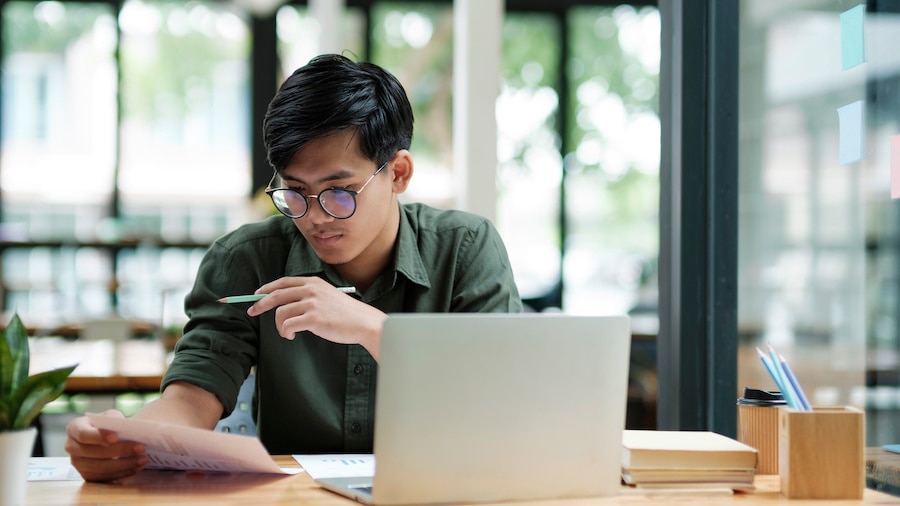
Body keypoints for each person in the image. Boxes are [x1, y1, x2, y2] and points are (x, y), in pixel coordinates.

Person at [64, 53, 522, 482]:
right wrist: (124, 439)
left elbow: (500, 399)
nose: (315, 216)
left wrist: (374, 330)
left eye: (339, 191)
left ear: (398, 173)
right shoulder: (247, 259)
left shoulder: (465, 249)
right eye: (295, 192)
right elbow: (191, 397)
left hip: (444, 488)